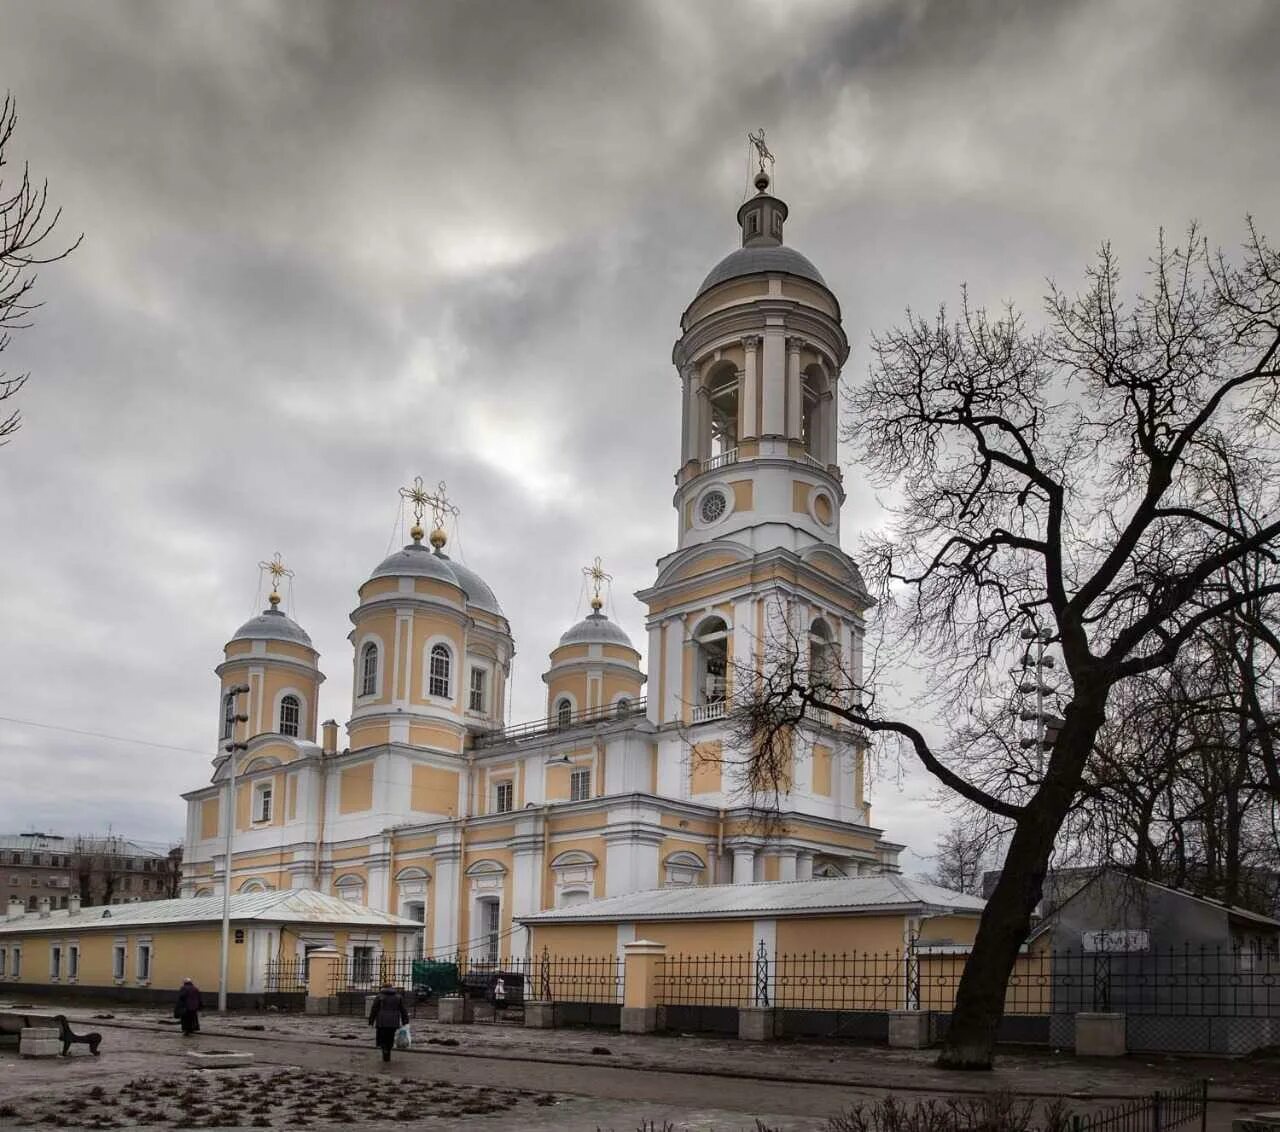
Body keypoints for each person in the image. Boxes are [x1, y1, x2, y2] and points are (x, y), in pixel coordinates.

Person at [367, 981, 408, 1063]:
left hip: (382, 1020)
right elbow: (403, 1010)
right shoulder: (398, 997)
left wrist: (371, 1021)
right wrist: (405, 1021)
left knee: (382, 1036)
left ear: (383, 988)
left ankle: (384, 1049)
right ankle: (388, 1050)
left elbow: (374, 1009)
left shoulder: (379, 996)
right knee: (390, 1036)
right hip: (393, 1020)